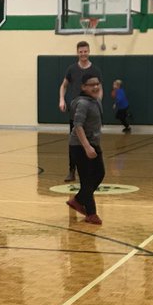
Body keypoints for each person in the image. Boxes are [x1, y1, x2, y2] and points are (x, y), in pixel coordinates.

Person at [67, 71, 105, 224]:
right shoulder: (82, 103)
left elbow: (99, 92)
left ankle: (77, 200)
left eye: (97, 84)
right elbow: (77, 125)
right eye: (91, 85)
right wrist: (87, 147)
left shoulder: (95, 100)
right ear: (83, 87)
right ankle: (91, 214)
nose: (95, 87)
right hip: (80, 145)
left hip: (93, 143)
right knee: (87, 180)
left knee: (100, 174)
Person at [59, 41, 99, 181]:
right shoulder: (71, 69)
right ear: (77, 53)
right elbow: (63, 86)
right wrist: (62, 100)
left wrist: (98, 105)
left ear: (89, 52)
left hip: (90, 113)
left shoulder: (94, 70)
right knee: (74, 143)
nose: (83, 54)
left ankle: (91, 170)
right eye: (81, 52)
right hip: (75, 111)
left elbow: (99, 89)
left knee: (91, 141)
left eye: (85, 51)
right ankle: (72, 171)